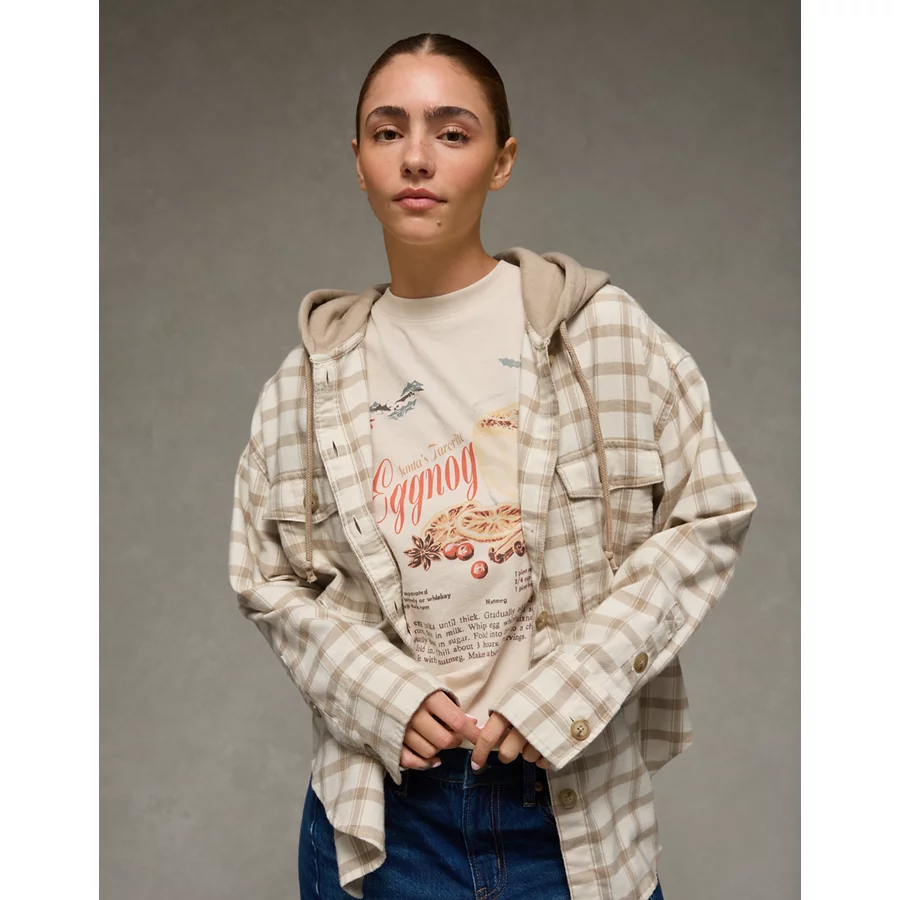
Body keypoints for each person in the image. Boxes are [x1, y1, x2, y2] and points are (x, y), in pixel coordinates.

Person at [227, 32, 756, 900]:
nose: (417, 157)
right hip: (385, 820)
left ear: (502, 161)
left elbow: (711, 513)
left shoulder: (601, 335)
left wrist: (563, 694)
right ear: (359, 162)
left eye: (452, 132)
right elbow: (267, 578)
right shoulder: (306, 383)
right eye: (388, 131)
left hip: (575, 811)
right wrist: (384, 694)